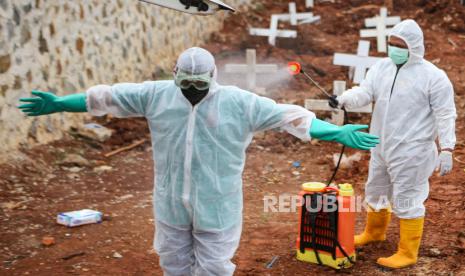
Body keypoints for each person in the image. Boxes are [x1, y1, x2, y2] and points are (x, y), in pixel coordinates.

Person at [19, 47, 379, 275]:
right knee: (173, 264)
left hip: (217, 205)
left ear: (212, 78)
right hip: (171, 202)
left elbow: (291, 117)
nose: (191, 88)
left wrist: (336, 134)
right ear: (175, 76)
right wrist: (61, 104)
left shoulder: (239, 103)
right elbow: (106, 98)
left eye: (198, 82)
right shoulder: (156, 95)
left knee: (213, 269)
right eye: (185, 81)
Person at [332, 20, 456, 269]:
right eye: (391, 43)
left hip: (413, 150)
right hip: (381, 144)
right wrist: (344, 99)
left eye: (400, 45)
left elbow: (445, 114)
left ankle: (407, 252)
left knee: (407, 198)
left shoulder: (433, 77)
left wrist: (447, 148)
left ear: (414, 47)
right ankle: (375, 232)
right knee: (375, 190)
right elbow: (366, 93)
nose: (394, 49)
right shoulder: (382, 68)